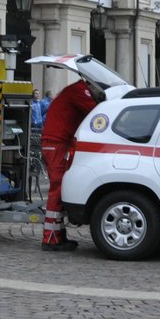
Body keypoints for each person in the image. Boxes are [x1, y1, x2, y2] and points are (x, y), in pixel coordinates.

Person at [40, 76, 105, 251]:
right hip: (56, 143)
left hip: (56, 142)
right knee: (58, 188)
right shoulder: (80, 91)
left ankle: (57, 235)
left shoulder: (77, 89)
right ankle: (50, 239)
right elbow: (98, 113)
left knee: (60, 188)